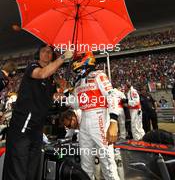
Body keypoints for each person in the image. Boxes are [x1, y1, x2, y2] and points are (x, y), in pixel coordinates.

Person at [2, 44, 73, 180]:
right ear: (38, 54)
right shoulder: (33, 67)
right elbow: (42, 73)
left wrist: (60, 93)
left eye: (49, 52)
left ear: (52, 56)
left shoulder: (51, 79)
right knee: (18, 166)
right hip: (22, 125)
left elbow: (52, 98)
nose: (47, 53)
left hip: (37, 127)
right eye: (44, 51)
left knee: (33, 167)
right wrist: (64, 57)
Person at [62, 52, 121, 180]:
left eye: (77, 59)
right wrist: (67, 92)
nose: (74, 63)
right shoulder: (78, 82)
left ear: (86, 60)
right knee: (85, 162)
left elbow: (111, 96)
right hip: (84, 120)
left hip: (99, 117)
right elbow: (76, 104)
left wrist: (113, 121)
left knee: (107, 161)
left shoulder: (99, 75)